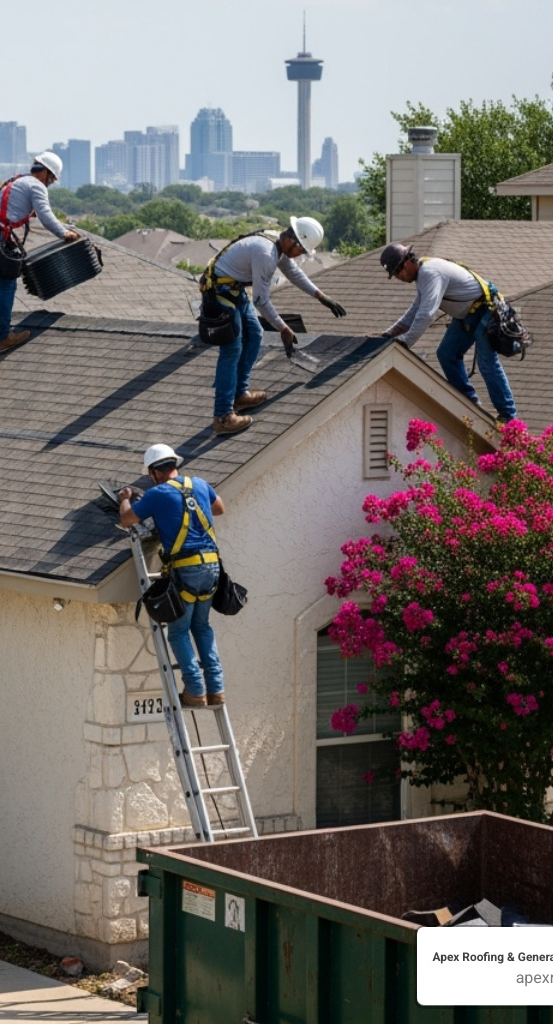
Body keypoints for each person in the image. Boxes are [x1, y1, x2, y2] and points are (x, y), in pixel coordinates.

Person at [200, 217, 347, 435]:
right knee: (232, 349)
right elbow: (261, 301)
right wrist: (284, 329)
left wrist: (321, 296)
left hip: (233, 289)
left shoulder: (276, 244)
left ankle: (239, 394)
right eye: (301, 250)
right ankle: (223, 416)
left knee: (255, 334)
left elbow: (293, 273)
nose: (300, 254)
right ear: (292, 240)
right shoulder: (266, 254)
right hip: (219, 293)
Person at [117, 444, 227, 706]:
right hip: (212, 566)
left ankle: (195, 691)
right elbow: (219, 508)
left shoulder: (158, 493)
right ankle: (216, 690)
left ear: (154, 472)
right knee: (202, 627)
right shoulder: (199, 483)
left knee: (178, 631)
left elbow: (127, 519)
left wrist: (124, 498)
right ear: (174, 464)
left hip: (186, 568)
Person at [377, 243, 517, 423]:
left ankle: (509, 417)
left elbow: (426, 314)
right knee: (446, 354)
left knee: (487, 362)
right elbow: (414, 311)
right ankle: (469, 405)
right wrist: (389, 334)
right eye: (395, 275)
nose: (399, 277)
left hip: (486, 311)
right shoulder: (423, 275)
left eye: (398, 271)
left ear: (407, 262)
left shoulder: (430, 272)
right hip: (468, 314)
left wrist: (406, 342)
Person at [0, 152, 79, 355]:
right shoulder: (36, 186)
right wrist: (64, 233)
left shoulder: (18, 180)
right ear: (46, 173)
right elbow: (46, 216)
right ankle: (2, 337)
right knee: (7, 283)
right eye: (51, 179)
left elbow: (13, 208)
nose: (50, 184)